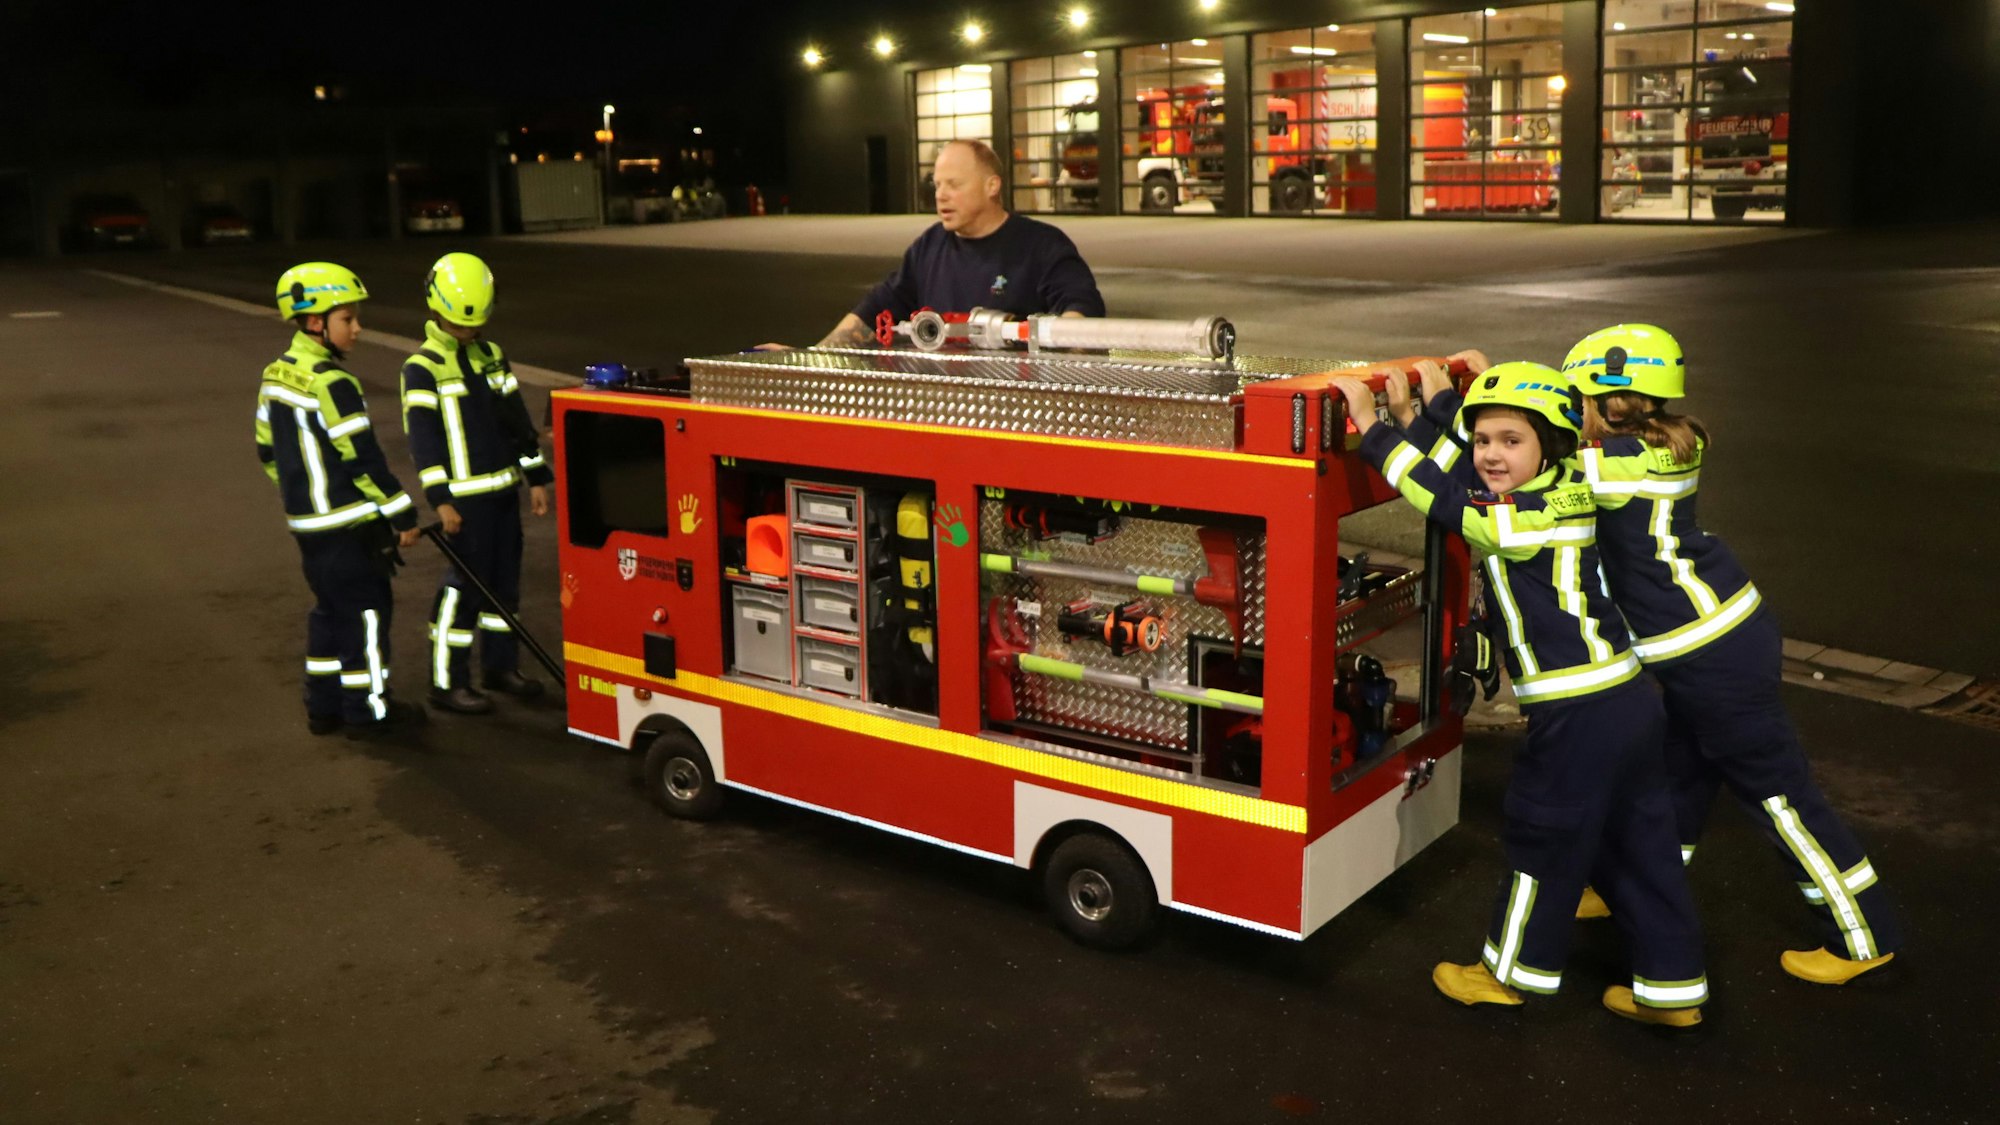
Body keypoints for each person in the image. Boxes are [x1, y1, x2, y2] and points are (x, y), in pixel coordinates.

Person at [1334, 363, 1708, 1029]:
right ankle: (1673, 988)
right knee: (1642, 844)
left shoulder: (1520, 516)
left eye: (1511, 440)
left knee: (1542, 839)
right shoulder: (1561, 484)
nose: (1491, 454)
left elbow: (1443, 498)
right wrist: (1427, 407)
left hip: (1578, 711)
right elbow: (1455, 474)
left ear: (1549, 445)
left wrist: (1372, 429)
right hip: (1630, 699)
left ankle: (1509, 974)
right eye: (1483, 439)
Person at [1561, 324, 1903, 986]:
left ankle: (1865, 934)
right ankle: (1632, 886)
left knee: (1780, 797)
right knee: (1679, 778)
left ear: (1614, 399)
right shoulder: (1674, 442)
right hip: (1721, 638)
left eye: (1575, 399)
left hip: (1712, 656)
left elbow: (1537, 469)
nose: (1570, 413)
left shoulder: (1616, 465)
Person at [256, 262, 425, 738]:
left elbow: (267, 449)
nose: (357, 328)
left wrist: (300, 497)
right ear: (316, 323)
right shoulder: (333, 383)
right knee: (368, 617)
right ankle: (368, 712)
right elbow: (363, 459)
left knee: (329, 613)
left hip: (308, 527)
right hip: (349, 529)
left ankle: (323, 706)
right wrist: (402, 513)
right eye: (347, 319)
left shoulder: (276, 375)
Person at [399, 252, 554, 715]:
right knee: (464, 590)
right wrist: (440, 500)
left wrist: (535, 476)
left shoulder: (491, 356)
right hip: (466, 504)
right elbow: (424, 443)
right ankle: (447, 682)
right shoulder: (421, 368)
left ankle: (500, 669)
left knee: (504, 587)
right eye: (459, 325)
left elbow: (516, 421)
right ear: (435, 311)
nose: (469, 332)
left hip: (503, 492)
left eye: (475, 324)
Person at [796, 139, 1105, 349]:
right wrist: (813, 358)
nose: (940, 195)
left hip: (1019, 410)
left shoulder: (1042, 245)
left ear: (991, 186)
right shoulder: (929, 246)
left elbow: (1082, 310)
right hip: (943, 405)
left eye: (954, 185)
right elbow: (874, 310)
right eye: (937, 184)